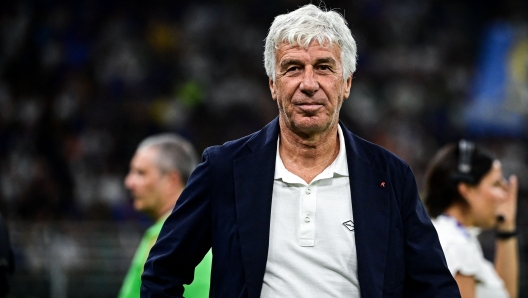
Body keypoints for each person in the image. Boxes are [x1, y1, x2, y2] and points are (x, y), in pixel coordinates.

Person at [141, 4, 460, 297]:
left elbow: (435, 287)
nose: (309, 83)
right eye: (293, 68)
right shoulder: (224, 168)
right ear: (272, 84)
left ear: (346, 83)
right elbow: (162, 273)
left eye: (323, 68)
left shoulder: (389, 176)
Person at [118, 133, 212, 298]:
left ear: (171, 181)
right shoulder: (213, 233)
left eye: (140, 173)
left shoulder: (162, 238)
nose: (129, 182)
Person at [424, 140, 519, 298]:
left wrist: (506, 228)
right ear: (466, 189)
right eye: (495, 184)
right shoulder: (456, 245)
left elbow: (507, 295)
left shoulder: (454, 236)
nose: (504, 195)